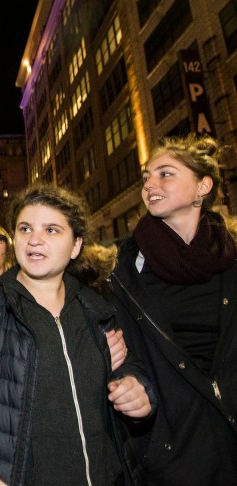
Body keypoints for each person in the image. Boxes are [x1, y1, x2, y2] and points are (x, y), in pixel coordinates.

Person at [0, 185, 154, 485]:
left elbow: (128, 367)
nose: (35, 239)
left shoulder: (95, 308)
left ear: (75, 246)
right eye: (25, 228)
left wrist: (139, 390)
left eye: (51, 230)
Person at [111, 134, 237, 485]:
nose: (150, 184)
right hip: (176, 453)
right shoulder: (126, 273)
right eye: (146, 177)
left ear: (203, 187)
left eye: (165, 174)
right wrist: (132, 384)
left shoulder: (232, 260)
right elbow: (127, 356)